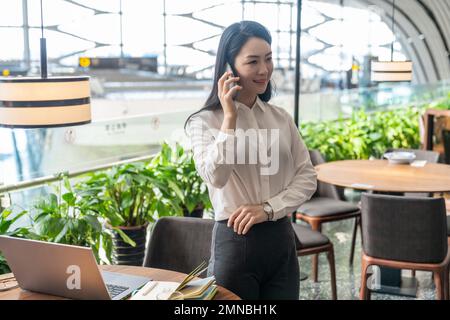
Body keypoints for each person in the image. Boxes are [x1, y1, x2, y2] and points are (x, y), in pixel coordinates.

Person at [185, 21, 317, 300]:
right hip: (236, 243)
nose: (264, 70)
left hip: (281, 239)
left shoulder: (280, 118)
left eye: (268, 59)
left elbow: (307, 178)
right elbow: (216, 177)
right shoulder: (203, 122)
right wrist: (230, 118)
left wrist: (268, 208)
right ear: (229, 68)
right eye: (253, 61)